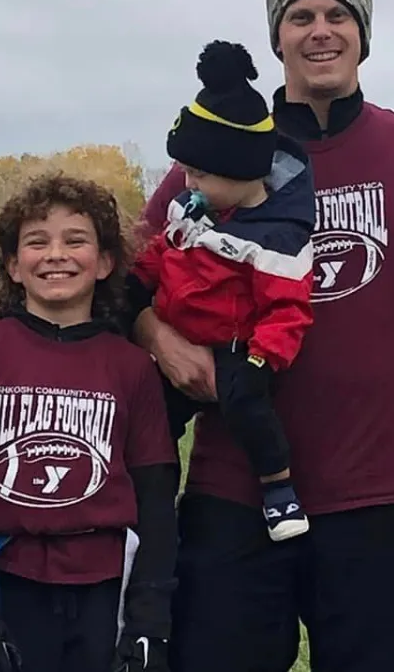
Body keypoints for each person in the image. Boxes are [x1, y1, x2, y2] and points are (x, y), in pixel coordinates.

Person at [135, 0, 394, 670]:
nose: (320, 30)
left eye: (338, 14)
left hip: (378, 497)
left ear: (364, 34)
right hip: (235, 489)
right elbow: (126, 284)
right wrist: (158, 338)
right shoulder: (221, 149)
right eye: (300, 15)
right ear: (276, 36)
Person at [0, 175, 179, 672]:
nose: (55, 254)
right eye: (36, 242)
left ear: (105, 262)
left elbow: (156, 497)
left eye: (75, 240)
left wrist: (150, 617)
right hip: (7, 577)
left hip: (103, 586)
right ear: (13, 265)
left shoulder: (130, 367)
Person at [133, 39, 316, 542]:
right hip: (178, 343)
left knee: (249, 409)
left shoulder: (275, 237)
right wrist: (136, 284)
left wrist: (264, 360)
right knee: (151, 417)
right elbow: (162, 251)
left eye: (198, 173)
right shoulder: (193, 210)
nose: (186, 182)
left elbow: (288, 308)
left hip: (240, 351)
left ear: (242, 171)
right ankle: (148, 492)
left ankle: (278, 488)